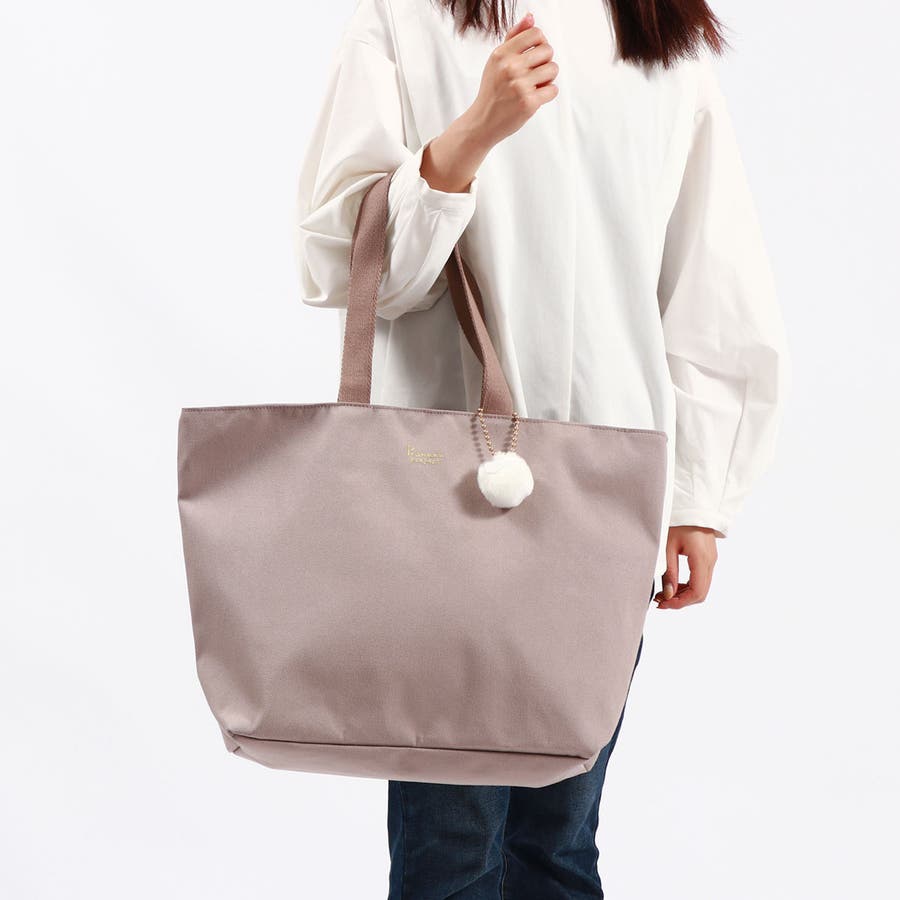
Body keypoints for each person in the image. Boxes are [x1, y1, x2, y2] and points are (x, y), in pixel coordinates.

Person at [294, 1, 789, 896]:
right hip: (443, 492)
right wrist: (469, 138)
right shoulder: (407, 18)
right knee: (451, 852)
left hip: (609, 491)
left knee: (558, 846)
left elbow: (711, 279)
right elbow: (342, 258)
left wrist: (699, 498)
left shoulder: (660, 36)